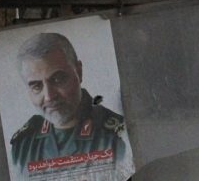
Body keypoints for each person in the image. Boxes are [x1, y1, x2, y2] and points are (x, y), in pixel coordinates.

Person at [9, 32, 132, 180]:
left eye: (58, 79)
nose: (49, 96)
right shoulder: (22, 145)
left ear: (78, 72)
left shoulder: (119, 137)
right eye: (36, 86)